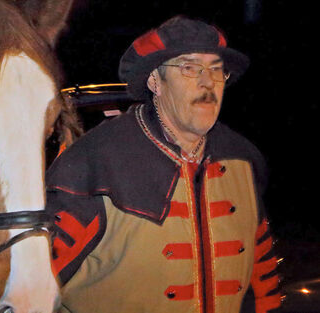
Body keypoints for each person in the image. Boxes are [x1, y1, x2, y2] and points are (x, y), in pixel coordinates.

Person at [46, 16, 281, 313]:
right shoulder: (93, 164)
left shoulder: (242, 159)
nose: (208, 82)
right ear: (155, 81)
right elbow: (32, 285)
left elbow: (262, 281)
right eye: (190, 68)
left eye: (216, 69)